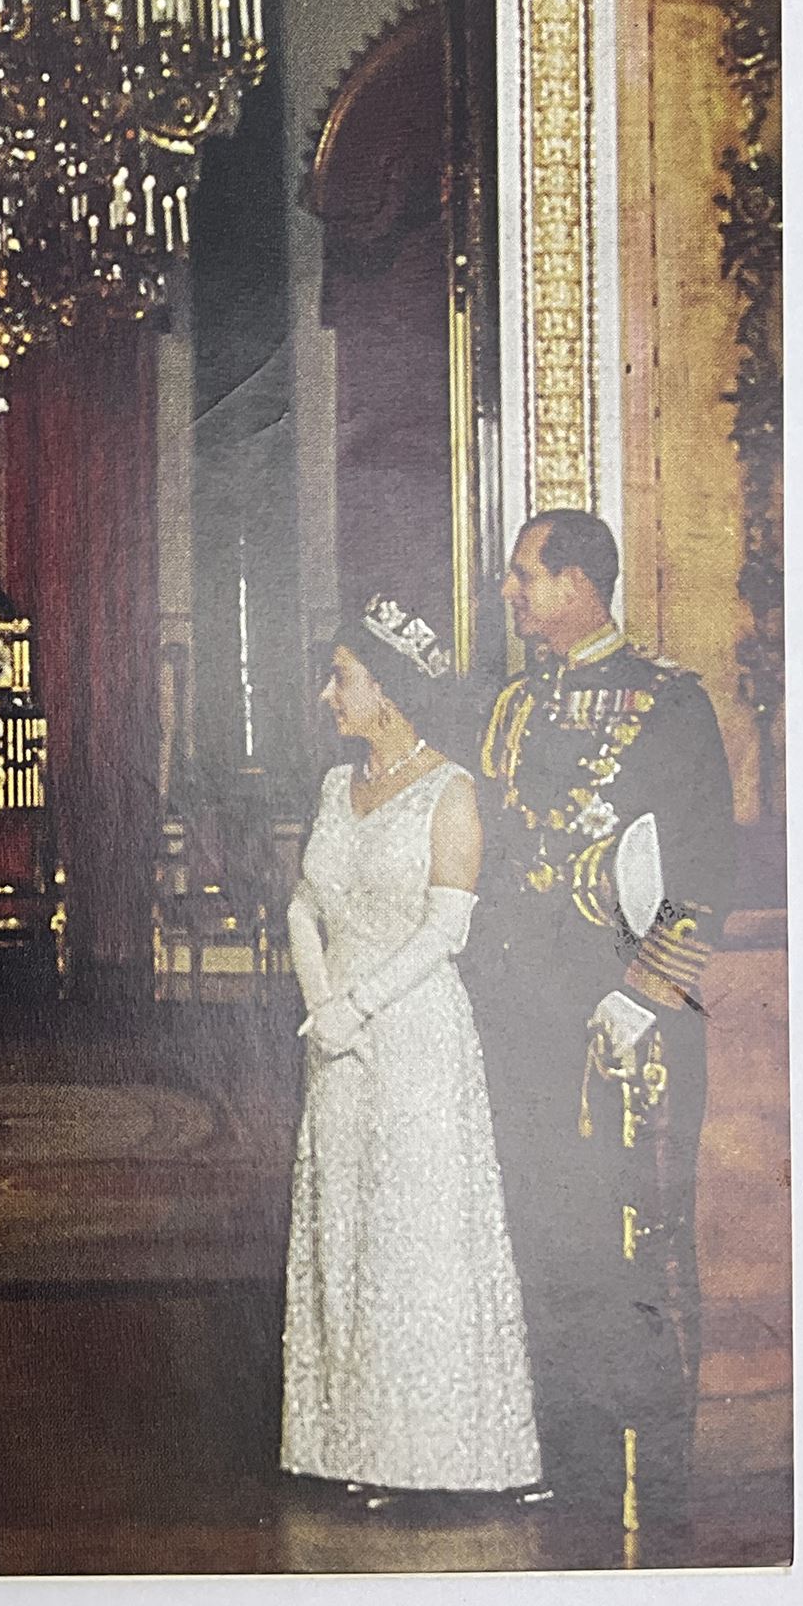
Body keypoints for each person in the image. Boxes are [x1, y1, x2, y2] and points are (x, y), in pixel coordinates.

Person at [468, 510, 736, 1529]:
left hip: (630, 1028)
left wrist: (643, 993)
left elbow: (707, 870)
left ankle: (655, 1478)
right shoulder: (512, 708)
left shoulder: (669, 706)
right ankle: (571, 1464)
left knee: (645, 1246)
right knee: (550, 1237)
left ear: (580, 582)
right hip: (526, 1021)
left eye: (524, 574)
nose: (511, 592)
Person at [280, 595, 539, 1504]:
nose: (325, 694)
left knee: (411, 1242)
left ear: (385, 690)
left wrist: (359, 1003)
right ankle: (350, 1449)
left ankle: (426, 1457)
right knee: (345, 1235)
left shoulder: (451, 789)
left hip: (417, 1039)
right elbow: (303, 905)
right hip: (337, 1044)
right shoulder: (331, 787)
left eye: (339, 677)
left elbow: (447, 932)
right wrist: (325, 1008)